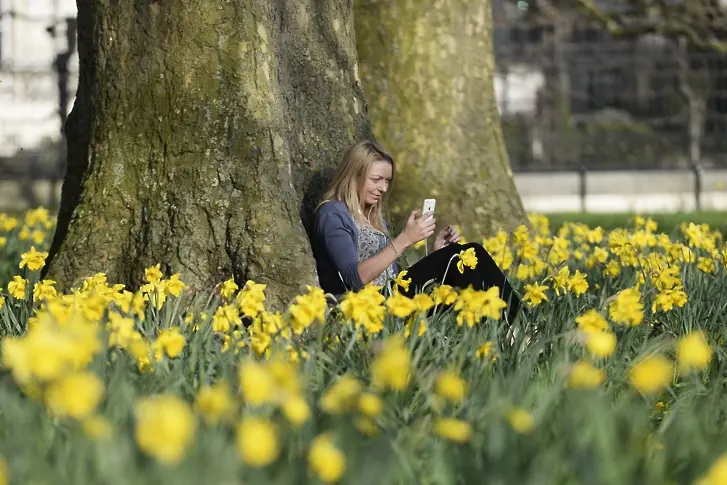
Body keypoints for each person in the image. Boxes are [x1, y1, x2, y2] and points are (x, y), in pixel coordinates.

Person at [310, 140, 522, 323]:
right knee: (456, 258)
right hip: (367, 308)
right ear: (354, 176)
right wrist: (405, 239)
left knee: (468, 254)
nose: (383, 189)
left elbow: (392, 276)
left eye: (387, 181)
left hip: (391, 298)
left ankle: (517, 324)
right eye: (376, 180)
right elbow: (354, 278)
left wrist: (434, 256)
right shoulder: (332, 213)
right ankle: (506, 327)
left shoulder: (371, 215)